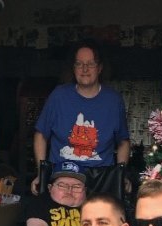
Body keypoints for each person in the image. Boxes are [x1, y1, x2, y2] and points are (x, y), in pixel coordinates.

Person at [31, 40, 130, 195]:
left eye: (90, 64)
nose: (84, 69)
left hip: (101, 180)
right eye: (79, 64)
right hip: (63, 178)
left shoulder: (113, 100)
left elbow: (123, 142)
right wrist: (41, 173)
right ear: (73, 68)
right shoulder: (59, 96)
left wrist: (120, 176)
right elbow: (40, 135)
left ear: (100, 68)